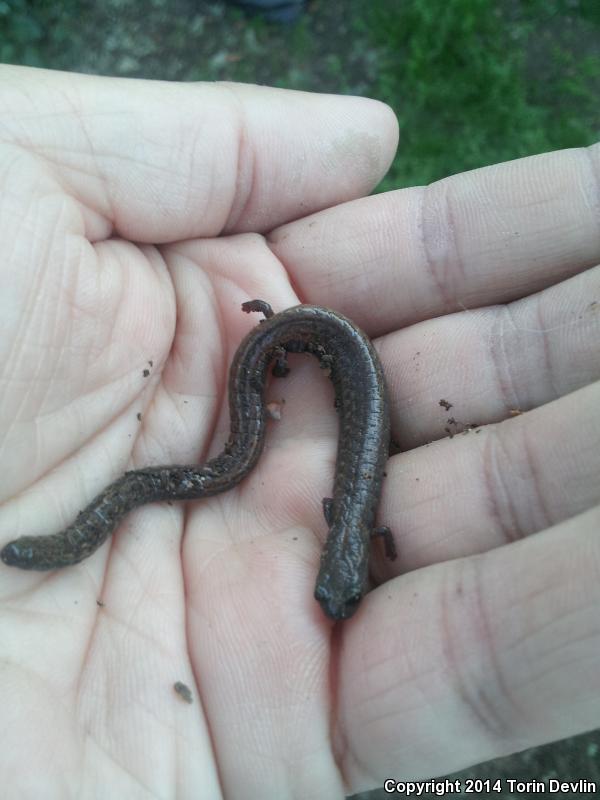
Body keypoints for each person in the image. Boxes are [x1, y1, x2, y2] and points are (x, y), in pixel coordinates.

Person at [0, 65, 598, 798]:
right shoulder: (349, 525)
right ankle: (59, 542)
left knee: (228, 464)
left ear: (339, 557)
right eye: (335, 591)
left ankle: (74, 534)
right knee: (230, 461)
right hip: (314, 345)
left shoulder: (352, 527)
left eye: (334, 592)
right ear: (335, 559)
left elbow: (353, 515)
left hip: (321, 351)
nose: (331, 597)